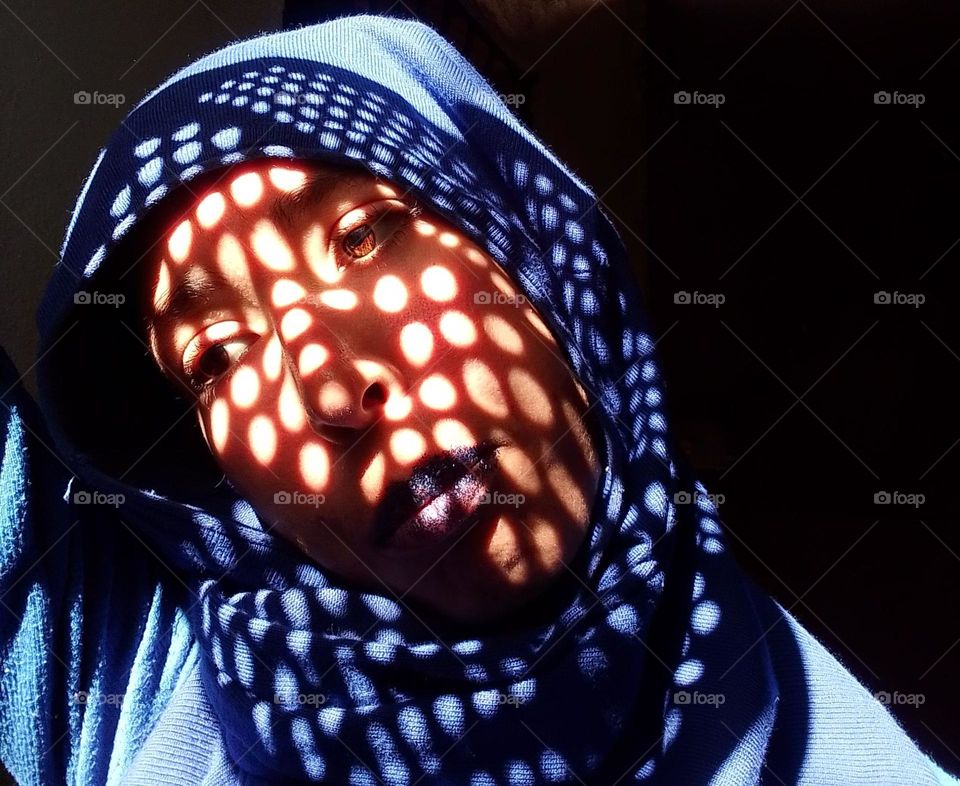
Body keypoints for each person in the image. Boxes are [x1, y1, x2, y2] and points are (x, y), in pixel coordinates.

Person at [0, 14, 956, 786]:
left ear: (528, 250)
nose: (330, 388)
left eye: (365, 235)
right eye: (215, 354)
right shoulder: (130, 700)